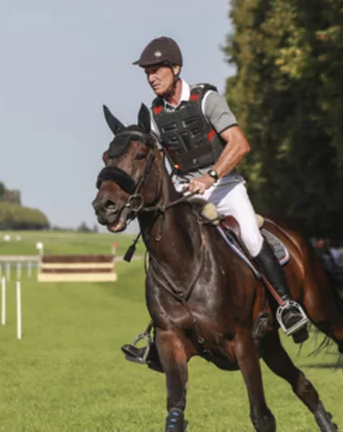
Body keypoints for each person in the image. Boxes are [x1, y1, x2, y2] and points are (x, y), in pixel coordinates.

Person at [121, 37, 310, 366]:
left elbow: (239, 144)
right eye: (147, 73)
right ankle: (159, 335)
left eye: (156, 70)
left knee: (251, 236)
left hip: (225, 187)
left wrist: (210, 177)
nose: (151, 77)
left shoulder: (206, 98)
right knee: (170, 250)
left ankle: (287, 306)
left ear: (176, 69)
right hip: (187, 192)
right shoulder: (153, 114)